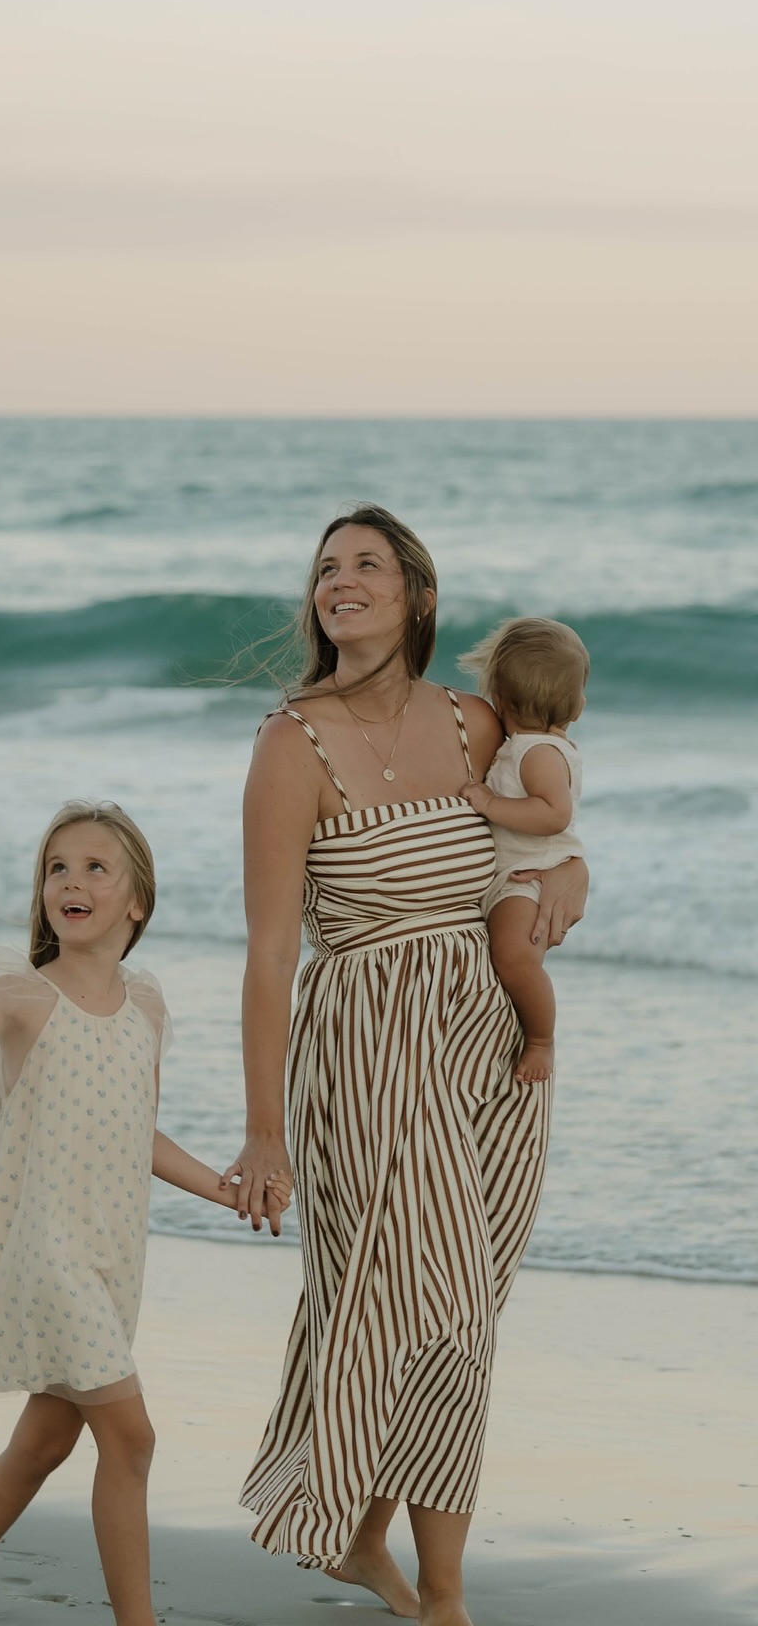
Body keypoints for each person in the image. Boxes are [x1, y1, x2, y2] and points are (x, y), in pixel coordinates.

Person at [224, 506, 588, 1626]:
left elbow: (544, 840)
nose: (343, 580)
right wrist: (265, 1130)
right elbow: (272, 954)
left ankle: (368, 1538)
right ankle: (442, 1596)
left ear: (417, 597)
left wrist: (571, 886)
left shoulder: (475, 723)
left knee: (455, 1305)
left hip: (488, 1051)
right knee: (442, 1306)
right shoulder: (292, 745)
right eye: (328, 567)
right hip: (367, 1052)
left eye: (368, 564)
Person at [0, 802, 279, 1626]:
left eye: (97, 867)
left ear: (137, 901)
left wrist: (225, 1187)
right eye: (57, 867)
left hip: (110, 1255)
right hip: (42, 1250)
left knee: (45, 1443)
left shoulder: (148, 1008)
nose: (72, 880)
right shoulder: (18, 997)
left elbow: (139, 1133)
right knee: (132, 1440)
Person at [457, 618, 590, 1084]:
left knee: (515, 959)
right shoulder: (529, 747)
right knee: (509, 959)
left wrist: (492, 803)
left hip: (530, 876)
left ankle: (540, 1039)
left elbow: (554, 814)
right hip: (513, 872)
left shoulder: (538, 753)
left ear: (501, 699)